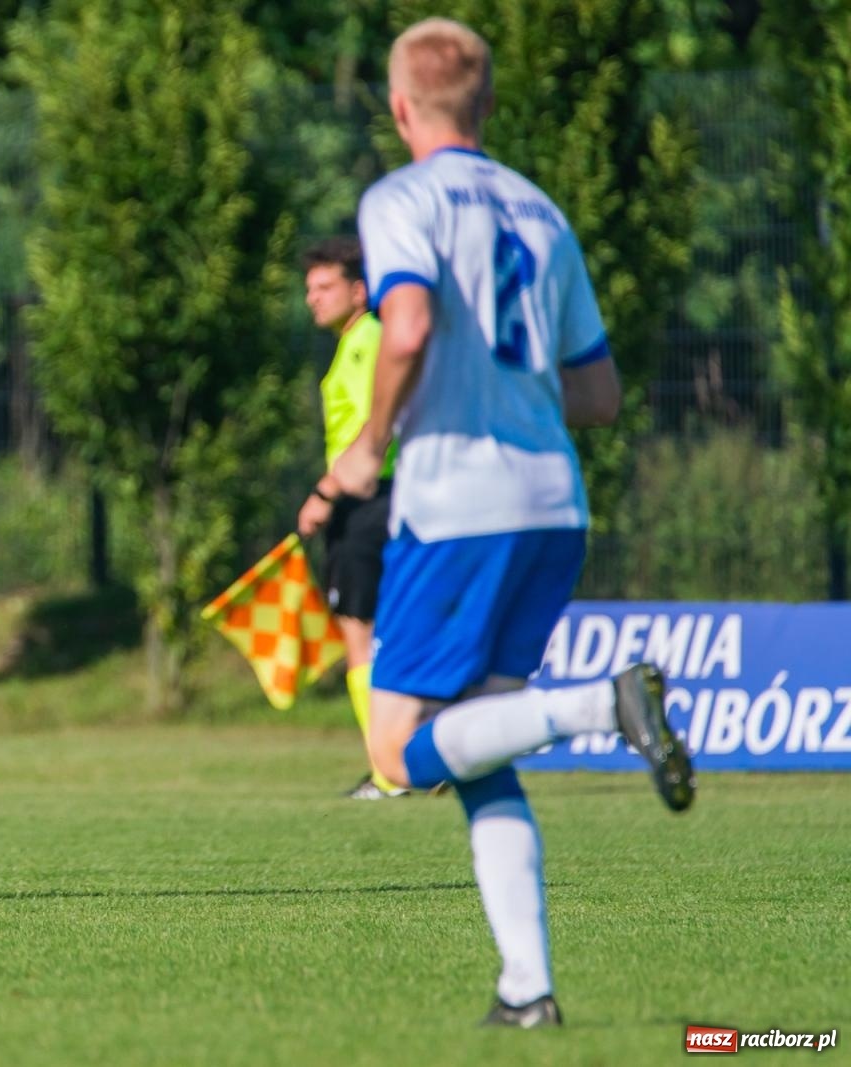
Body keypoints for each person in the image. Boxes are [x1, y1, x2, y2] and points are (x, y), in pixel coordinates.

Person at [320, 19, 694, 1027]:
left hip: (458, 507)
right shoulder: (542, 211)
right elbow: (600, 393)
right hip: (551, 505)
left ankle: (599, 706)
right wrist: (506, 387)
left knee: (398, 750)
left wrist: (366, 447)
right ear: (483, 107)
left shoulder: (400, 199)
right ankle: (526, 987)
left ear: (400, 107)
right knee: (478, 748)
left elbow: (404, 323)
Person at [294, 237, 404, 801]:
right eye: (309, 288)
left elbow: (371, 426)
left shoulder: (366, 342)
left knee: (358, 634)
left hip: (366, 500)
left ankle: (390, 772)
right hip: (382, 498)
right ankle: (408, 762)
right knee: (385, 631)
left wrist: (325, 491)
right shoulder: (360, 341)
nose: (312, 297)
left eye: (325, 286)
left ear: (358, 290)